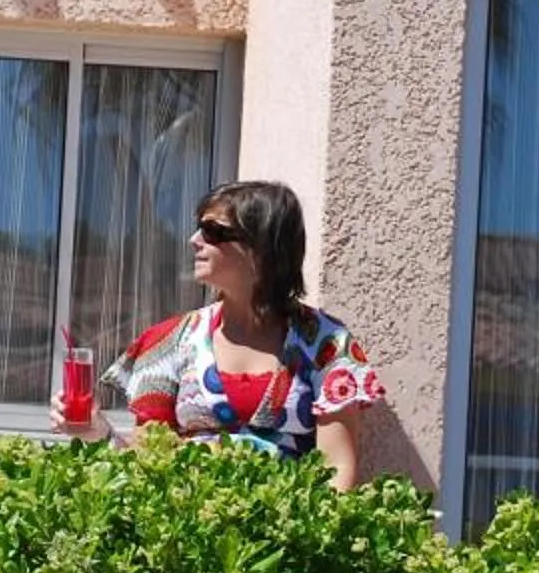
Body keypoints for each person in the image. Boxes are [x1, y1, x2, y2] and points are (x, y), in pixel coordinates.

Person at [59, 178, 387, 490]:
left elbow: (337, 471)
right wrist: (96, 430)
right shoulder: (170, 341)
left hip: (287, 535)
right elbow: (147, 464)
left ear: (262, 247)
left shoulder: (325, 344)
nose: (194, 240)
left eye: (213, 231)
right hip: (188, 534)